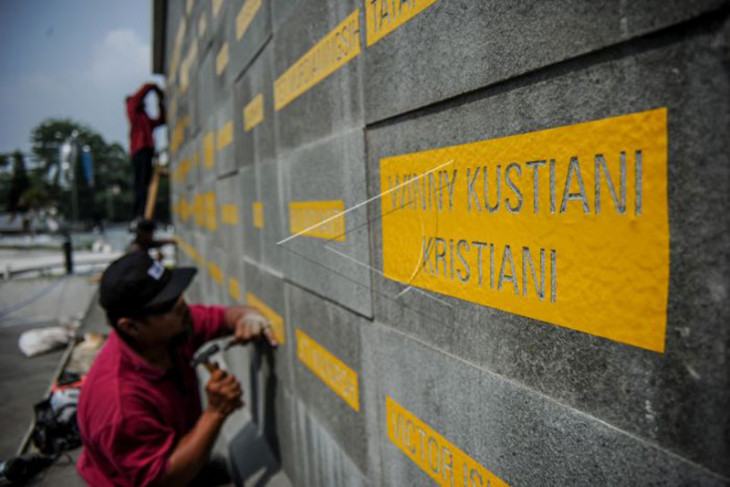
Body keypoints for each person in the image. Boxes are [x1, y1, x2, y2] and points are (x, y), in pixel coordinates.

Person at [76, 251, 277, 486]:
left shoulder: (172, 331)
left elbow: (223, 317)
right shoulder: (120, 402)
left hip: (173, 456)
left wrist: (247, 317)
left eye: (177, 293)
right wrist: (215, 412)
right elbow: (162, 480)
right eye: (168, 304)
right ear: (131, 327)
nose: (182, 304)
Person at [127, 83, 165, 220]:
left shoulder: (145, 118)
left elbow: (161, 120)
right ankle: (138, 215)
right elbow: (144, 90)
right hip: (139, 151)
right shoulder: (133, 109)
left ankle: (144, 214)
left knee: (146, 184)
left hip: (147, 151)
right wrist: (155, 88)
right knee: (140, 185)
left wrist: (161, 103)